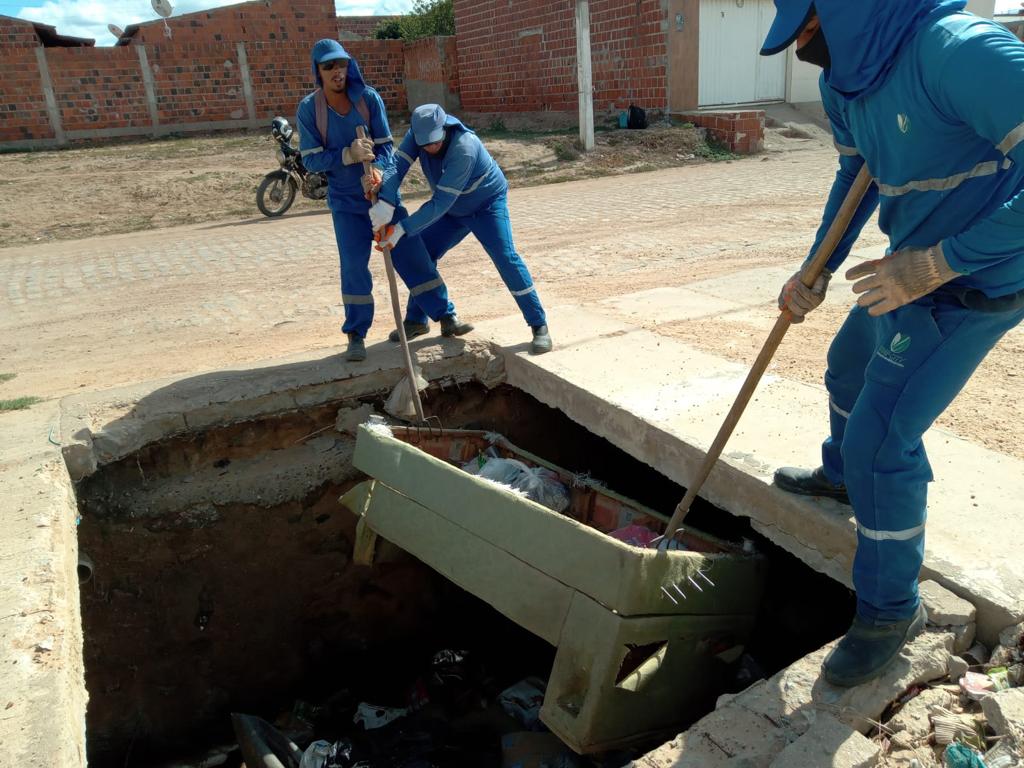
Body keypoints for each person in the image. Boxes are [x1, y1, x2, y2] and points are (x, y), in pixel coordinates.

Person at [761, 0, 1024, 686]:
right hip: (908, 272)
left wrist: (942, 262)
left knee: (881, 441)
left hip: (977, 284)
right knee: (847, 370)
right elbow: (856, 177)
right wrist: (813, 269)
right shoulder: (846, 77)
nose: (803, 49)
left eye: (808, 31)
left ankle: (889, 611)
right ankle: (842, 481)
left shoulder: (959, 51)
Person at [295, 40, 470, 362]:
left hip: (383, 196)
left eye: (341, 64)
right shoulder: (310, 109)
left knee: (411, 253)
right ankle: (356, 334)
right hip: (346, 204)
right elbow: (310, 160)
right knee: (354, 266)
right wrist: (348, 155)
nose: (337, 72)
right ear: (318, 72)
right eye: (329, 67)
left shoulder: (368, 99)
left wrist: (377, 172)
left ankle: (445, 317)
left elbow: (389, 148)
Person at [369, 104, 552, 354]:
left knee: (505, 258)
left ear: (444, 128)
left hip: (485, 206)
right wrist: (387, 201)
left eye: (434, 143)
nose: (429, 148)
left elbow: (440, 203)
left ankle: (539, 324)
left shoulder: (464, 147)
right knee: (423, 254)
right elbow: (396, 167)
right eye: (424, 145)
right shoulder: (419, 134)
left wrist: (402, 227)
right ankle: (416, 320)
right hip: (453, 210)